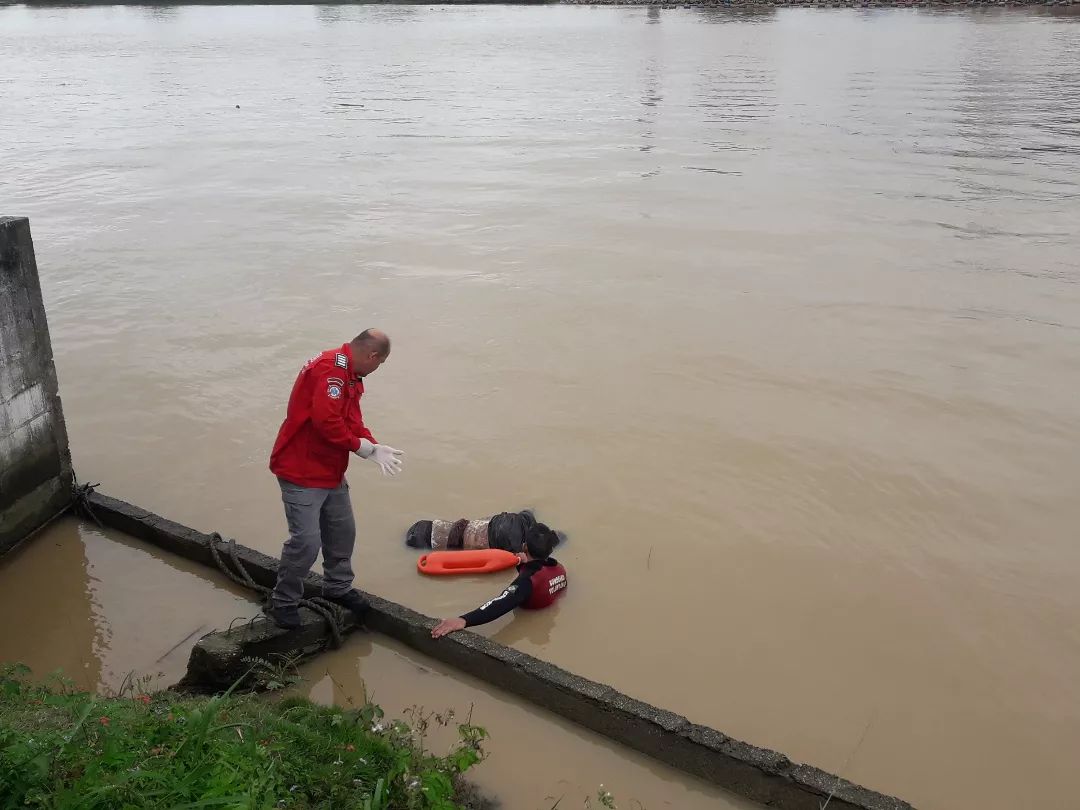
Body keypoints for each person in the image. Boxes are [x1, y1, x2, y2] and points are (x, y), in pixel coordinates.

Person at [266, 329, 403, 630]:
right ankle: (283, 602)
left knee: (342, 531)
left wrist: (373, 444)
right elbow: (327, 422)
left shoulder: (349, 374)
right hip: (301, 469)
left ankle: (337, 588)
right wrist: (363, 449)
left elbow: (351, 419)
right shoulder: (331, 370)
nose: (376, 370)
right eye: (379, 364)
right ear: (373, 356)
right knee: (306, 542)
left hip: (329, 469)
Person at [431, 522, 567, 638]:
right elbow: (541, 576)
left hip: (528, 614)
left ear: (525, 546)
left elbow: (501, 603)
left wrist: (463, 620)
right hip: (543, 617)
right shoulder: (559, 568)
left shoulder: (527, 582)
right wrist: (522, 565)